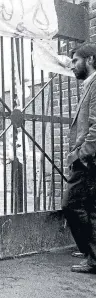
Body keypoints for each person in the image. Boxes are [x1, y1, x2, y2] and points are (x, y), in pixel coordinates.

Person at [62, 43, 96, 274]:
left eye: (75, 60)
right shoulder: (89, 85)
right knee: (88, 206)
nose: (72, 65)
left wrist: (81, 153)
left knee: (72, 204)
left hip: (88, 158)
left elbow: (95, 125)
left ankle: (92, 257)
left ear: (90, 59)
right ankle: (89, 251)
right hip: (87, 157)